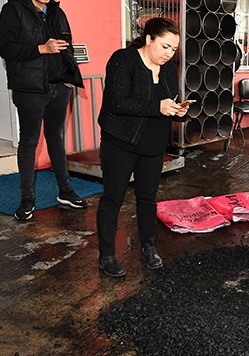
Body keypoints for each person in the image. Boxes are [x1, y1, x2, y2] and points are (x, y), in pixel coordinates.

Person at [95, 18, 188, 278]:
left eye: (173, 49)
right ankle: (107, 255)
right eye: (164, 47)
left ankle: (148, 247)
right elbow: (117, 102)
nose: (169, 54)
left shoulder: (167, 67)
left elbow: (168, 101)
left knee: (147, 199)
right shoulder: (123, 60)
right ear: (148, 39)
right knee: (113, 199)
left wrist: (177, 111)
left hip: (153, 144)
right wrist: (157, 107)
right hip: (121, 142)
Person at [0, 0, 88, 221]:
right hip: (30, 88)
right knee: (30, 142)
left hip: (60, 86)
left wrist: (69, 77)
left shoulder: (58, 12)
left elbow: (67, 45)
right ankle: (27, 200)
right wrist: (41, 48)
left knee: (56, 139)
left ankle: (66, 191)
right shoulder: (13, 9)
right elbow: (5, 47)